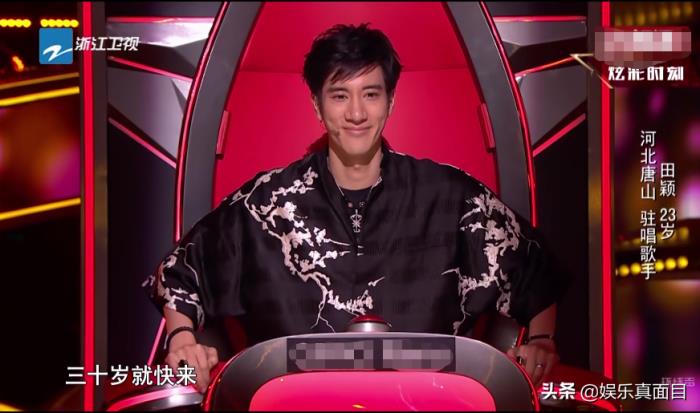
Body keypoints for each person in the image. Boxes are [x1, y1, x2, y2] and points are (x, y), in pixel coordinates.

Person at [143, 23, 568, 393]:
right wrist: (182, 338)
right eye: (339, 95)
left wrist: (542, 341)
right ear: (317, 104)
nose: (357, 113)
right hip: (294, 402)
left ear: (391, 101)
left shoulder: (450, 195)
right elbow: (181, 272)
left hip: (427, 401)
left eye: (371, 94)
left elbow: (535, 270)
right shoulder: (267, 201)